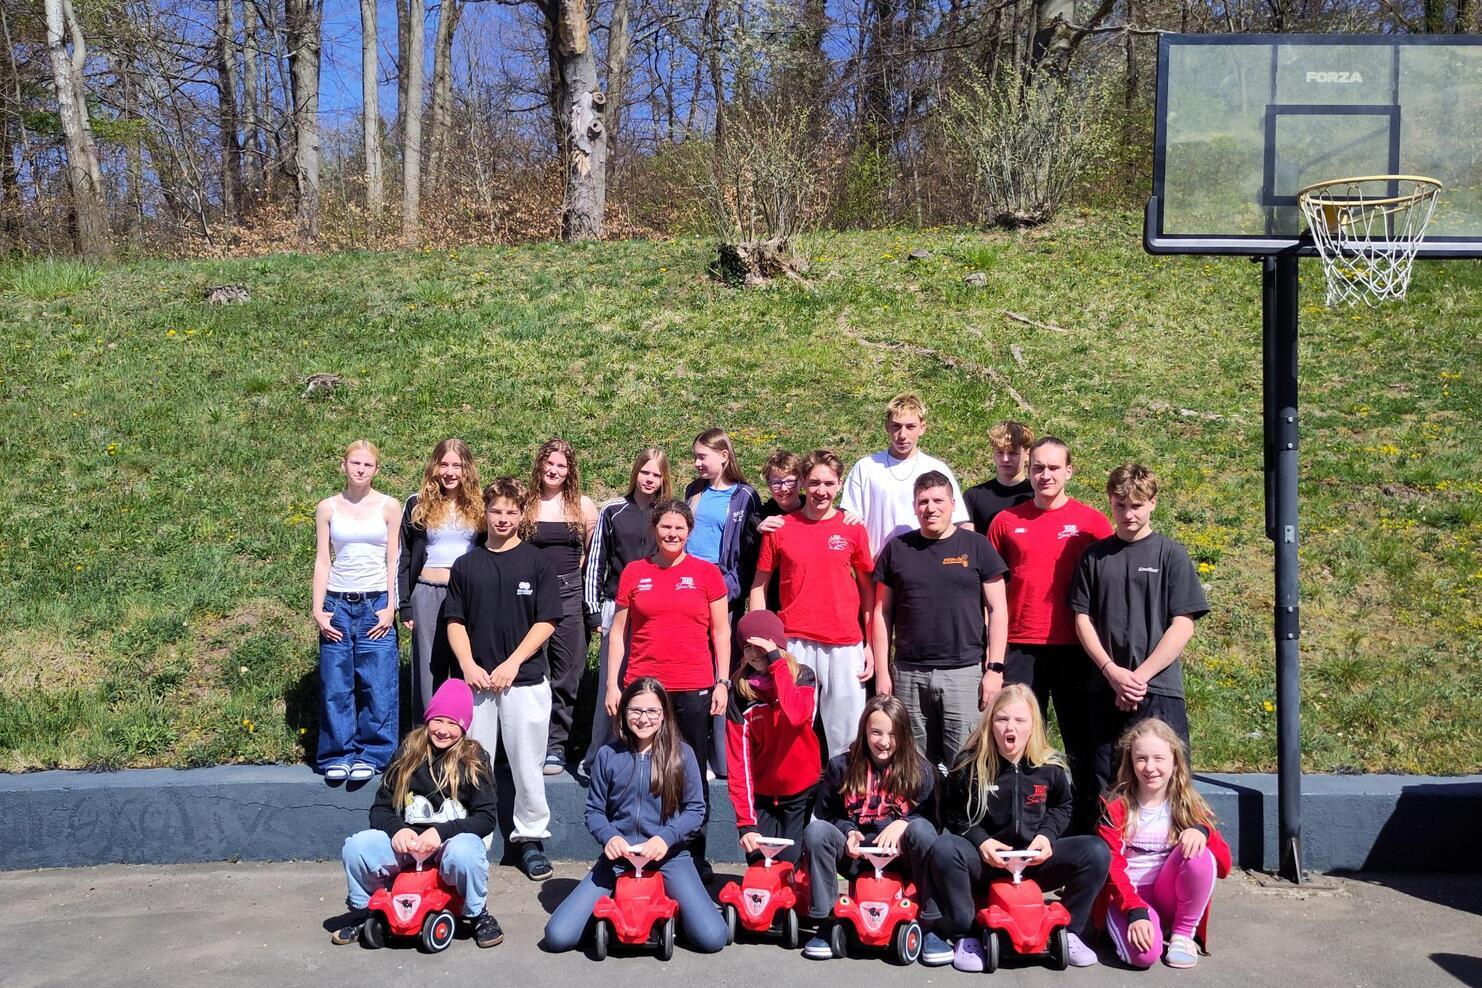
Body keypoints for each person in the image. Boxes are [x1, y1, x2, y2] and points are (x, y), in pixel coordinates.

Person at [929, 685, 1111, 971]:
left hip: (1032, 861)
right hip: (987, 861)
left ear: (1032, 725)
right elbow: (953, 814)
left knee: (1096, 851)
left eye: (1019, 720)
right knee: (944, 847)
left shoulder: (1049, 766)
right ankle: (966, 934)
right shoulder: (970, 764)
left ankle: (1070, 931)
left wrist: (1046, 836)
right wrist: (981, 840)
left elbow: (1063, 806)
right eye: (1002, 719)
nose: (1009, 727)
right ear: (991, 722)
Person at [543, 678, 729, 955]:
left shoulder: (682, 754)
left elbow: (695, 809)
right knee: (558, 936)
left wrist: (665, 839)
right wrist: (610, 837)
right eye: (636, 710)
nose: (643, 719)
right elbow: (594, 811)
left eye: (652, 711)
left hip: (668, 857)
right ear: (624, 712)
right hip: (620, 859)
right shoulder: (608, 755)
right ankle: (615, 905)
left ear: (664, 714)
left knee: (713, 937)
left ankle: (671, 908)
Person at [987, 436, 1113, 833]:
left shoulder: (1092, 523)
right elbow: (988, 593)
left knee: (1081, 744)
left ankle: (1086, 832)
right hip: (1022, 648)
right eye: (1038, 467)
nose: (1045, 475)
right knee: (1020, 742)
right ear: (1029, 470)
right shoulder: (1006, 522)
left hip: (1076, 650)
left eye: (1054, 468)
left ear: (1069, 471)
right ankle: (1024, 828)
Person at [444, 477, 563, 882]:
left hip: (524, 681)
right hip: (477, 684)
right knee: (474, 765)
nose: (503, 518)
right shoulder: (467, 565)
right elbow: (455, 620)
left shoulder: (536, 562)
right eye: (496, 510)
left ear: (521, 514)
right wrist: (467, 664)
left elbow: (547, 621)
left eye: (511, 511)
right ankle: (472, 841)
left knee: (527, 766)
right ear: (486, 511)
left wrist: (512, 663)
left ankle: (530, 839)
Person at [1071, 464, 1210, 808]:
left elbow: (1183, 624)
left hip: (1158, 689)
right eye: (1120, 506)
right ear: (1110, 501)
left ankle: (1171, 842)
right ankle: (1112, 844)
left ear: (1153, 503)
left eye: (1136, 505)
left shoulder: (1171, 554)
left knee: (1166, 779)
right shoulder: (1094, 557)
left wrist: (1139, 678)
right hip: (1104, 689)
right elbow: (1082, 619)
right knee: (1106, 784)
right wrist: (1111, 672)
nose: (1128, 514)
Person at [604, 499, 730, 870]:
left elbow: (721, 632)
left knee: (691, 773)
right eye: (665, 527)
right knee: (638, 770)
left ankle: (693, 853)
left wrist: (722, 681)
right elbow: (617, 633)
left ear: (689, 531)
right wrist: (612, 684)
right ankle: (633, 848)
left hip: (693, 686)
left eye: (679, 528)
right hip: (643, 688)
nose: (672, 534)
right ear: (654, 529)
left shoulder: (707, 573)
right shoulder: (634, 572)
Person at [331, 678, 504, 948]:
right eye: (438, 720)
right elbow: (380, 808)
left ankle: (476, 912)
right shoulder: (407, 753)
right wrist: (398, 829)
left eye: (453, 723)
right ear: (428, 719)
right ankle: (364, 911)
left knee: (466, 852)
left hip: (448, 844)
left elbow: (485, 818)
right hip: (407, 845)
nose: (443, 730)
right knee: (357, 847)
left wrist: (441, 833)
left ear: (463, 727)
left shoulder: (474, 759)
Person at [871, 471, 1009, 769]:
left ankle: (959, 804)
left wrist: (995, 668)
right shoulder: (897, 549)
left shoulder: (977, 546)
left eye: (938, 500)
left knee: (966, 764)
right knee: (912, 764)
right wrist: (883, 671)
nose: (930, 508)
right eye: (923, 501)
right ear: (914, 506)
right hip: (909, 673)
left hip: (964, 672)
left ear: (952, 504)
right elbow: (882, 612)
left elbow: (998, 609)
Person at [747, 449, 875, 757]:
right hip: (795, 641)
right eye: (815, 482)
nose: (821, 491)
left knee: (847, 736)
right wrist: (762, 642)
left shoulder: (852, 527)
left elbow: (868, 590)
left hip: (845, 643)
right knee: (793, 728)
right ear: (803, 483)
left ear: (839, 485)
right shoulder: (780, 528)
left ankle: (843, 788)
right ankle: (798, 789)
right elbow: (759, 587)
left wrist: (870, 644)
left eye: (829, 483)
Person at [800, 695, 945, 965]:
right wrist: (848, 831)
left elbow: (933, 823)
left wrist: (904, 823)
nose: (884, 741)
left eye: (893, 734)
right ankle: (827, 921)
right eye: (876, 732)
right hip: (858, 855)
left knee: (922, 831)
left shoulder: (922, 771)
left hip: (900, 858)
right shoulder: (841, 766)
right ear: (864, 731)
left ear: (904, 734)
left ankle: (930, 925)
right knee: (817, 832)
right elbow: (827, 815)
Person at [1094, 719, 1231, 969]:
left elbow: (1223, 866)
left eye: (1159, 758)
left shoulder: (1187, 806)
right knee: (1143, 957)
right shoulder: (1115, 808)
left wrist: (1203, 832)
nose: (1150, 767)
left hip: (1167, 894)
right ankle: (1148, 927)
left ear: (1175, 762)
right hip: (1129, 898)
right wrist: (1135, 912)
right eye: (1141, 759)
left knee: (1198, 853)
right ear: (1130, 762)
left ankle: (1182, 935)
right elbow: (1112, 868)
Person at [313, 440, 402, 783]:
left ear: (376, 469)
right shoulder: (327, 507)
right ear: (344, 465)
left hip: (375, 602)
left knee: (377, 683)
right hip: (337, 602)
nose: (361, 469)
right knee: (336, 683)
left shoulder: (389, 506)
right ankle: (338, 753)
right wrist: (318, 609)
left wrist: (391, 606)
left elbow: (393, 560)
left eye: (367, 464)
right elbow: (323, 559)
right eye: (355, 463)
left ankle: (374, 753)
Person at [578, 447, 669, 781]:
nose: (650, 479)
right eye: (645, 472)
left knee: (650, 685)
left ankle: (649, 757)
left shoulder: (667, 514)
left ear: (664, 478)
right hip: (615, 607)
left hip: (655, 612)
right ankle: (596, 758)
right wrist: (593, 611)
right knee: (612, 684)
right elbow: (596, 562)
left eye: (656, 474)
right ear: (635, 473)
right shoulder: (613, 510)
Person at [685, 427, 761, 780]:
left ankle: (721, 756)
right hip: (688, 590)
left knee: (721, 671)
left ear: (724, 456)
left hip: (721, 594)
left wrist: (727, 590)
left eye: (703, 456)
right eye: (695, 456)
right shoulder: (694, 491)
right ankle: (691, 751)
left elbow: (748, 554)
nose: (697, 463)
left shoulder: (745, 496)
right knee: (691, 669)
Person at [521, 438, 599, 777]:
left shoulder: (582, 505)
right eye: (549, 463)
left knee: (568, 672)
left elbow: (593, 555)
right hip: (530, 595)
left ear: (570, 471)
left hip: (569, 593)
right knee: (530, 670)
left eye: (561, 466)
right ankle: (528, 743)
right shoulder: (524, 502)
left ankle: (556, 745)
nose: (554, 470)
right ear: (539, 465)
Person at [724, 608, 821, 865]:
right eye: (747, 647)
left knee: (789, 864)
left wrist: (776, 662)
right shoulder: (740, 693)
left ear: (775, 644)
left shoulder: (803, 676)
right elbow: (738, 763)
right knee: (759, 863)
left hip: (800, 793)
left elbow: (796, 716)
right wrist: (746, 824)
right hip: (763, 797)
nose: (754, 653)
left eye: (760, 645)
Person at [398, 438, 484, 719]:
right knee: (428, 669)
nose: (449, 472)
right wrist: (405, 603)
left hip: (466, 594)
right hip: (428, 592)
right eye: (444, 464)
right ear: (434, 467)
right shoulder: (417, 503)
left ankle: (461, 733)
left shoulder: (480, 505)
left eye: (456, 465)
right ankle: (424, 735)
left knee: (464, 665)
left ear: (467, 469)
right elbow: (405, 556)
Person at [841, 393, 971, 558]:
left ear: (922, 428)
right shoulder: (866, 467)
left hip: (929, 561)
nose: (902, 435)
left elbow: (959, 521)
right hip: (878, 563)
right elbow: (850, 519)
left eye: (910, 427)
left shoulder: (937, 469)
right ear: (887, 427)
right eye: (896, 426)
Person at [962, 420, 1035, 533]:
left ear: (1027, 454)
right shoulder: (973, 496)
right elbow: (966, 540)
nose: (1005, 459)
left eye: (1012, 453)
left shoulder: (1037, 494)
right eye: (1000, 453)